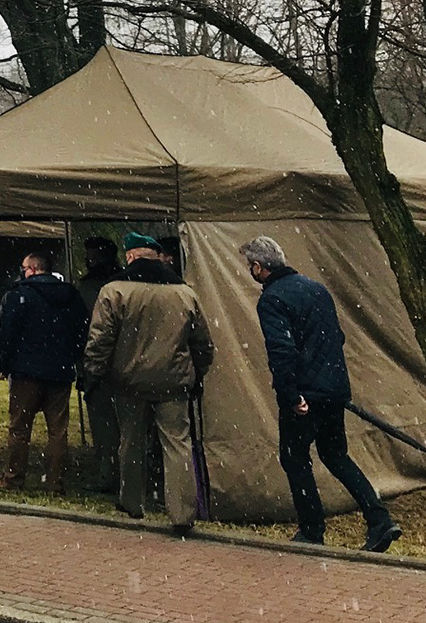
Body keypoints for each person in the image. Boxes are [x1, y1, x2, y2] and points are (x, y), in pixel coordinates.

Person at [240, 236, 402, 552]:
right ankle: (379, 519)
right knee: (335, 455)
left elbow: (281, 350)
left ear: (259, 267)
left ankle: (312, 530)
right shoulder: (317, 289)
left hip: (304, 394)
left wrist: (290, 394)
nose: (251, 271)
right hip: (333, 390)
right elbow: (336, 338)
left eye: (251, 267)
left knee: (295, 458)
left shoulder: (272, 299)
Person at [82, 232, 215, 534]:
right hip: (173, 383)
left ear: (130, 256)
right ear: (155, 256)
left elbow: (100, 339)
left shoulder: (114, 290)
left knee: (130, 442)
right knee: (177, 444)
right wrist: (197, 374)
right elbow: (203, 344)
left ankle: (132, 504)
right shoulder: (184, 292)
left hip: (128, 382)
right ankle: (182, 514)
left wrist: (96, 372)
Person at [0, 252, 85, 494]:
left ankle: (13, 478)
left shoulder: (20, 295)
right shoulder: (70, 296)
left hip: (26, 372)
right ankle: (55, 483)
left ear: (32, 269)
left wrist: (1, 363)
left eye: (24, 268)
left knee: (20, 428)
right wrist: (71, 358)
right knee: (58, 431)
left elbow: (7, 333)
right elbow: (82, 331)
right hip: (60, 372)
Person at [76, 234, 125, 493]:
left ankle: (109, 475)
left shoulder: (90, 287)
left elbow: (85, 327)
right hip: (121, 362)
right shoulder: (124, 282)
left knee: (105, 425)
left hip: (100, 363)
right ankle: (125, 475)